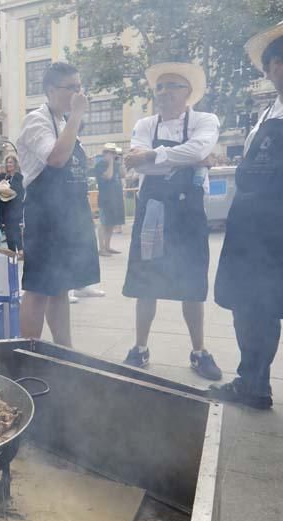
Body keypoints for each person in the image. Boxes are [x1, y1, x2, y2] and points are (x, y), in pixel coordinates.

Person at [122, 62, 222, 380]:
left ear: (188, 92)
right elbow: (138, 165)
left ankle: (199, 351)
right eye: (160, 87)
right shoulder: (144, 125)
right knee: (145, 283)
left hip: (188, 215)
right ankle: (139, 349)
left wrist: (153, 156)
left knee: (191, 285)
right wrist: (186, 158)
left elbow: (201, 147)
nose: (164, 93)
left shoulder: (205, 120)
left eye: (172, 86)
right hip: (152, 211)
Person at [210, 23, 283, 409]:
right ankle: (251, 382)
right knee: (248, 304)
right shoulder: (269, 110)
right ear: (270, 69)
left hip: (276, 225)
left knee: (266, 305)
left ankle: (255, 384)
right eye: (277, 63)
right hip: (250, 224)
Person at [15, 62, 100, 348]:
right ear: (51, 90)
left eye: (79, 86)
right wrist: (77, 115)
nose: (78, 94)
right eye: (71, 88)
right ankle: (28, 353)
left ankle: (65, 352)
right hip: (45, 218)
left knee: (61, 287)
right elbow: (56, 158)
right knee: (38, 289)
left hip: (71, 218)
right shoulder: (36, 120)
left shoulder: (65, 122)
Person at [94, 143, 126, 255]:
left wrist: (120, 163)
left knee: (111, 223)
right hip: (105, 198)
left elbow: (123, 175)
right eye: (111, 153)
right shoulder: (100, 165)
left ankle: (107, 247)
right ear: (105, 153)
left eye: (114, 153)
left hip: (115, 198)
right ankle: (101, 248)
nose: (113, 155)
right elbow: (108, 176)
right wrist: (111, 162)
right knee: (104, 223)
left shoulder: (116, 164)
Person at [0, 155, 25, 255]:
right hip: (6, 208)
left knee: (14, 228)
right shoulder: (6, 177)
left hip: (15, 207)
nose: (9, 164)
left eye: (11, 162)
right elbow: (2, 192)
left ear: (15, 164)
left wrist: (1, 189)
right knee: (9, 231)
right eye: (7, 162)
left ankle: (20, 250)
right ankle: (11, 252)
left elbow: (15, 192)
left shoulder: (19, 177)